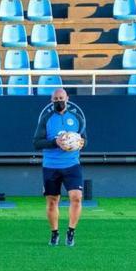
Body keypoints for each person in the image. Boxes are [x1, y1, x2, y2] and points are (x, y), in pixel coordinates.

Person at [32, 89, 86, 246]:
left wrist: (80, 143)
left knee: (76, 197)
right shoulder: (46, 119)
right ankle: (54, 233)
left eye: (61, 98)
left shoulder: (76, 118)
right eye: (55, 99)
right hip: (51, 166)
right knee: (52, 201)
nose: (58, 101)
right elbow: (36, 142)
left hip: (72, 165)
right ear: (51, 100)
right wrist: (55, 142)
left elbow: (85, 140)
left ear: (67, 99)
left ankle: (71, 231)